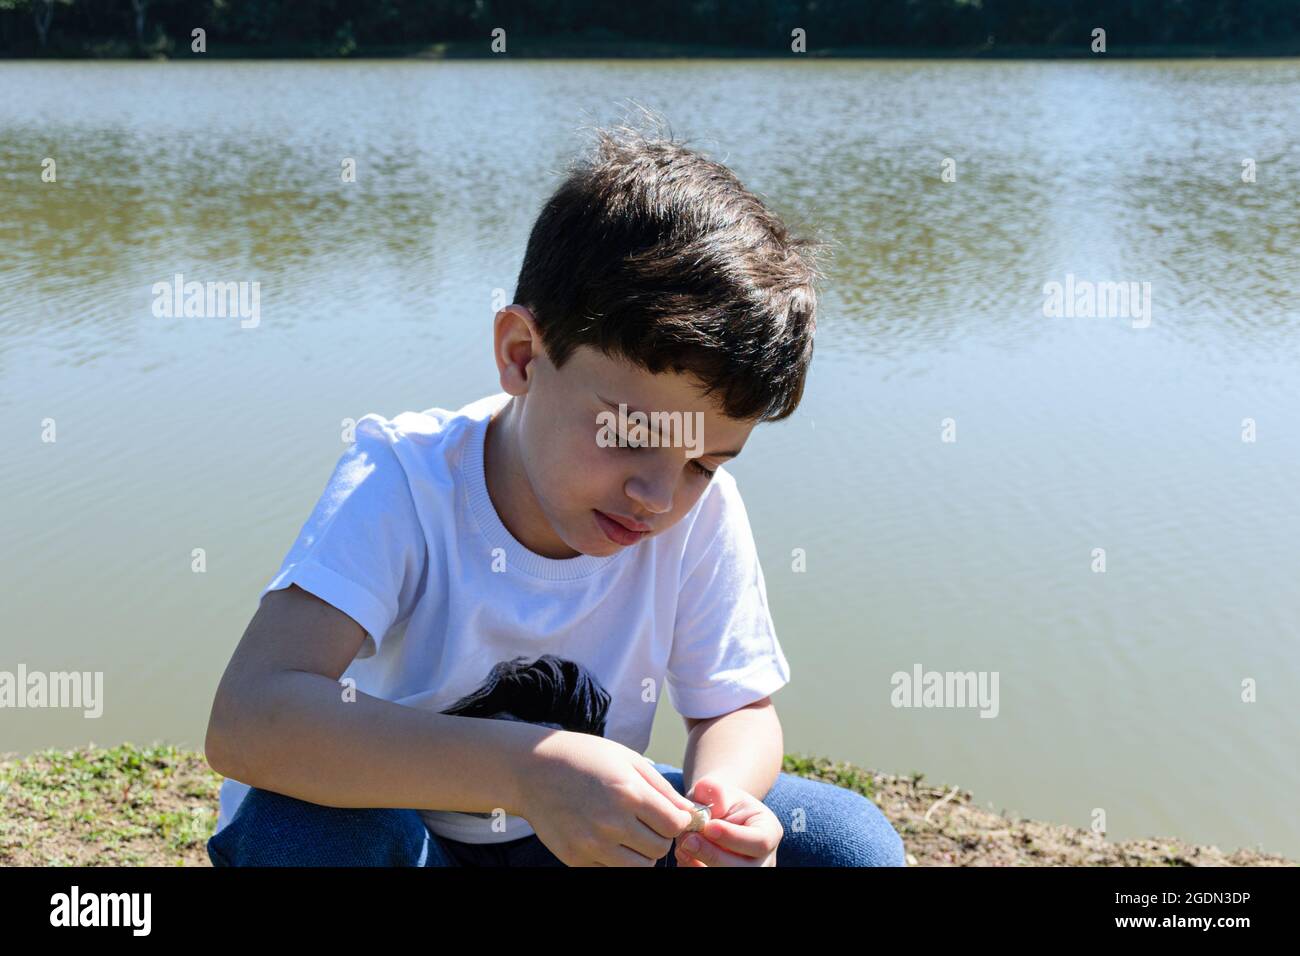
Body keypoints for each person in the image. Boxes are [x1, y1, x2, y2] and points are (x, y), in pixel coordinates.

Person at [204, 110, 906, 868]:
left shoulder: (695, 517)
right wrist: (525, 768)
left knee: (845, 844)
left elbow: (735, 707)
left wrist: (718, 805)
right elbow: (250, 717)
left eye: (705, 463)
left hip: (578, 837)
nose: (658, 495)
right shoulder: (402, 480)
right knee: (300, 833)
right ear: (521, 355)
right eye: (630, 433)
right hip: (407, 834)